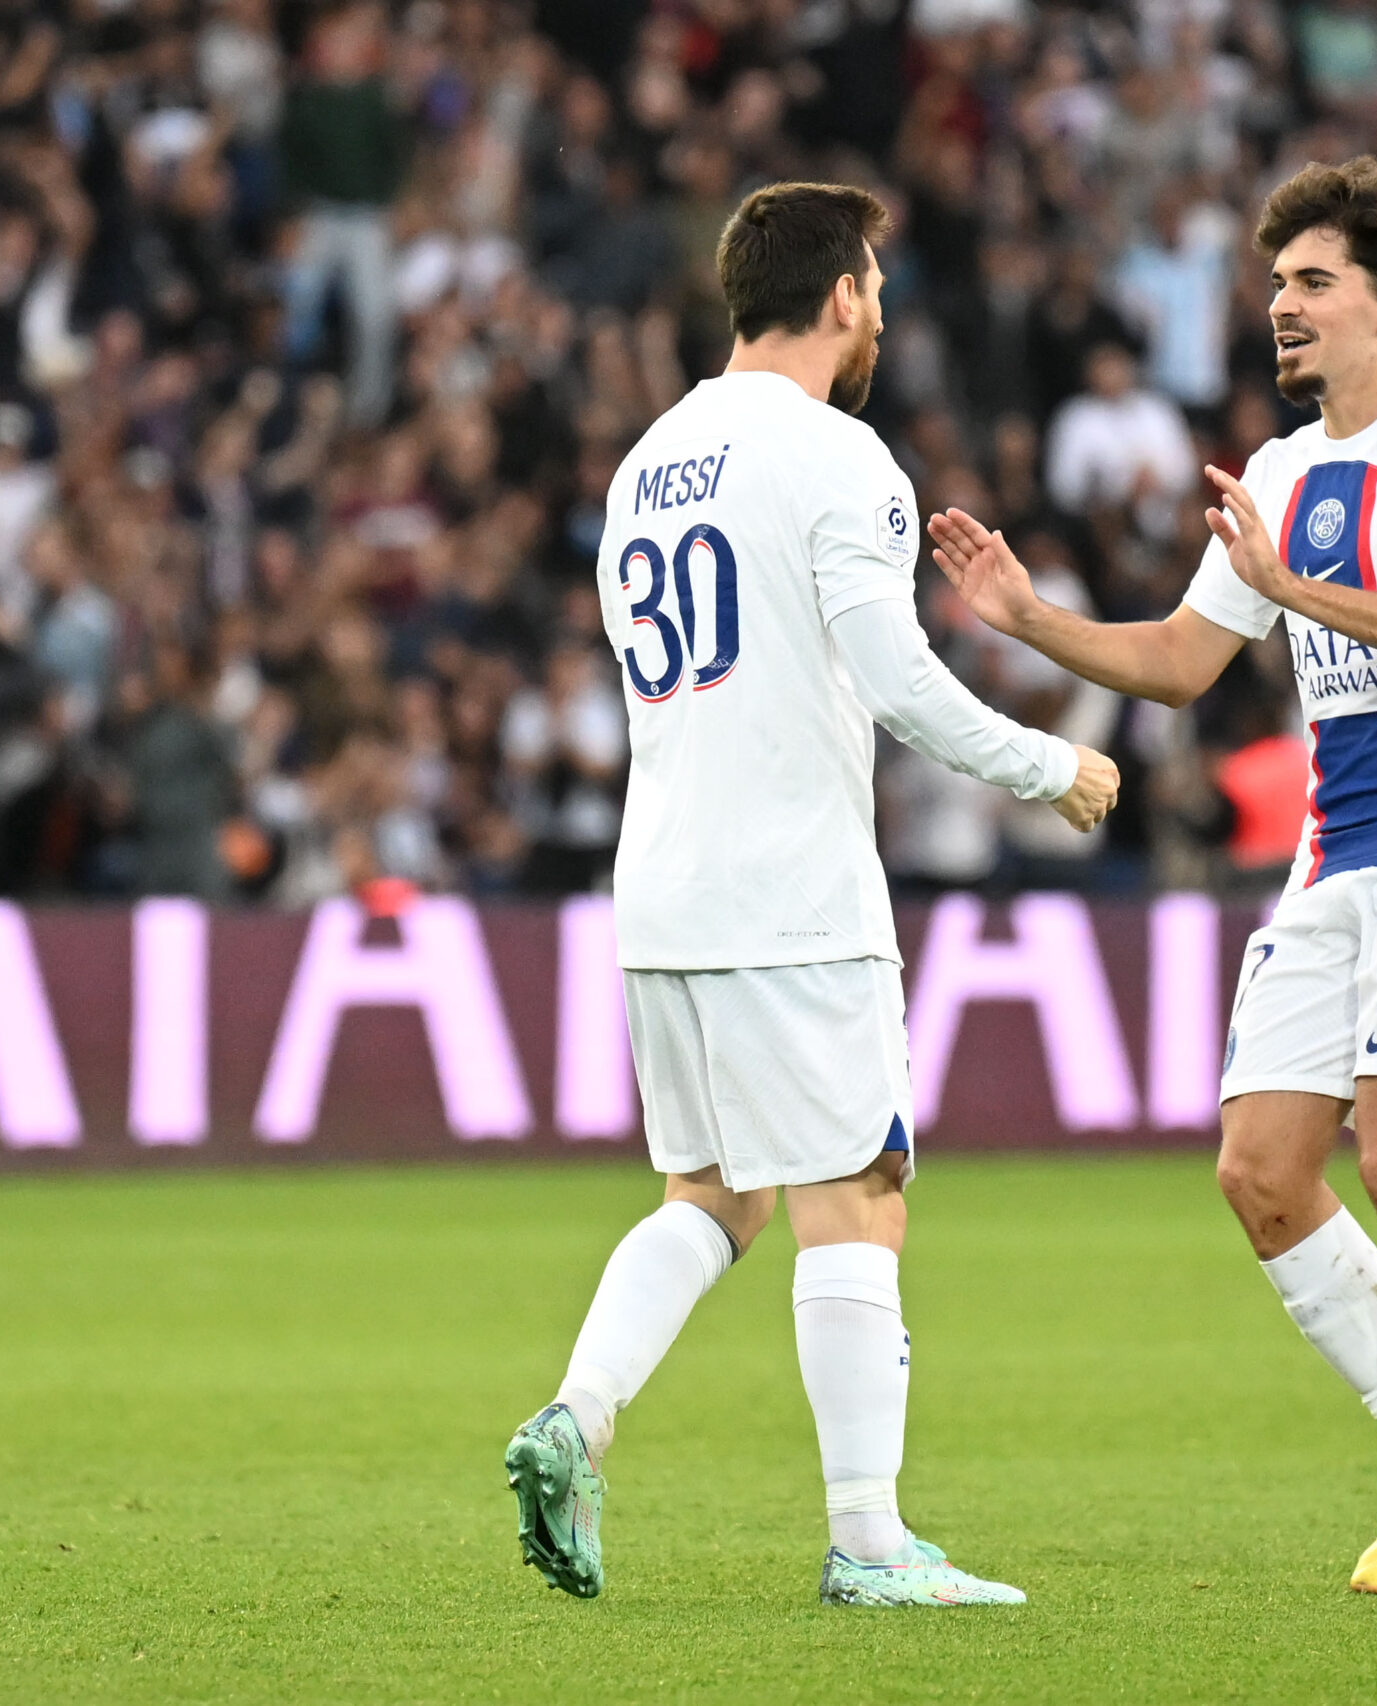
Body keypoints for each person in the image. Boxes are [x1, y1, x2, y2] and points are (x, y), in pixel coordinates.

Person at [928, 157, 1377, 1595]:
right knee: (1262, 1174)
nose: (1282, 305)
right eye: (1276, 284)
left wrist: (1288, 591)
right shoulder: (1277, 473)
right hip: (1333, 859)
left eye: (1313, 282)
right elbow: (1178, 664)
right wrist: (1026, 617)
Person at [504, 182, 1121, 1609]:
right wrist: (1054, 768)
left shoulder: (647, 461)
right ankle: (869, 1541)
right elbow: (898, 680)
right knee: (862, 1189)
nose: (885, 315)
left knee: (714, 1195)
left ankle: (576, 1417)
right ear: (842, 295)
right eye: (879, 290)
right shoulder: (841, 458)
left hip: (661, 890)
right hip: (791, 893)